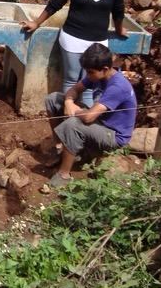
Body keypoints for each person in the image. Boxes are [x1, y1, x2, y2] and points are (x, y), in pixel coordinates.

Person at [21, 0, 127, 107]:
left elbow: (118, 10)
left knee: (91, 82)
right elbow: (55, 4)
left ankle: (84, 121)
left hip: (98, 42)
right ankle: (67, 118)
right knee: (70, 79)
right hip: (73, 38)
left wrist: (119, 29)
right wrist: (36, 23)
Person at [45, 43, 137, 187]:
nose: (88, 75)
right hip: (99, 121)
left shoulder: (118, 86)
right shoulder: (98, 76)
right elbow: (74, 89)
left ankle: (64, 175)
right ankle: (60, 149)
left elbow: (89, 117)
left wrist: (74, 110)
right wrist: (69, 102)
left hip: (113, 135)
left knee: (73, 124)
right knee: (53, 99)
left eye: (90, 72)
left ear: (105, 69)